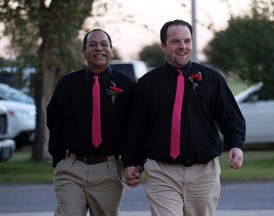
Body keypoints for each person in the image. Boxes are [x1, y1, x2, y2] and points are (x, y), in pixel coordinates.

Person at [122, 19, 245, 216]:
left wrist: (236, 145)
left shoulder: (211, 79)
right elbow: (137, 126)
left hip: (204, 173)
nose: (183, 47)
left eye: (187, 41)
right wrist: (131, 162)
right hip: (162, 172)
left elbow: (231, 116)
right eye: (175, 41)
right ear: (163, 45)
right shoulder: (147, 83)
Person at [47, 29, 136, 216]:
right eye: (93, 44)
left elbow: (134, 127)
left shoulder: (127, 85)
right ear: (84, 52)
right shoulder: (68, 84)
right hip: (72, 167)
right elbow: (54, 120)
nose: (99, 48)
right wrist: (59, 159)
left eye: (104, 44)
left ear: (111, 50)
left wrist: (130, 162)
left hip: (109, 169)